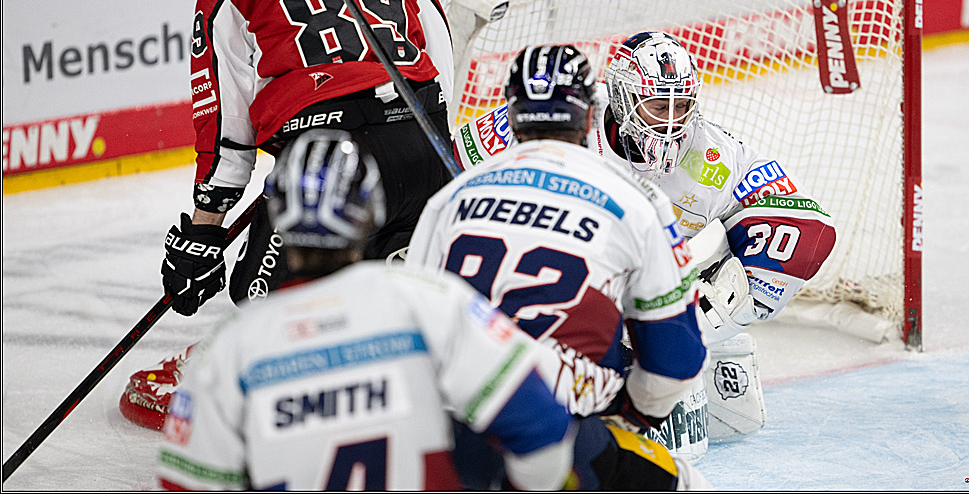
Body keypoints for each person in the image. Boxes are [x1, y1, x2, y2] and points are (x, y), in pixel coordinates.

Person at [122, 0, 455, 431]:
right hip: (427, 142)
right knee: (420, 284)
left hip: (327, 160)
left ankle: (268, 395)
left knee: (262, 299)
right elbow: (442, 57)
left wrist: (204, 231)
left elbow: (226, 123)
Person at [450, 31, 838, 460]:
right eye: (658, 105)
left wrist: (704, 315)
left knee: (789, 250)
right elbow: (453, 174)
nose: (671, 121)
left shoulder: (712, 153)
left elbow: (808, 228)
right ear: (620, 96)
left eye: (682, 105)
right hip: (554, 297)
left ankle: (676, 348)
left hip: (644, 298)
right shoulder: (566, 118)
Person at [155, 130, 578, 490]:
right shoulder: (431, 300)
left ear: (278, 217)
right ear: (371, 209)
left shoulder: (230, 346)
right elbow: (540, 425)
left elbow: (186, 482)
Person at [406, 44, 711, 489]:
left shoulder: (448, 200)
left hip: (454, 433)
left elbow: (412, 334)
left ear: (509, 118)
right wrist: (629, 416)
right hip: (565, 427)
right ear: (589, 117)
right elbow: (677, 361)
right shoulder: (637, 201)